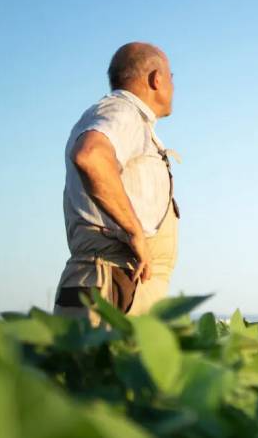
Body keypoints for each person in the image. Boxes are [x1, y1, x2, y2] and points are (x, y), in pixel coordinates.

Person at [53, 42, 180, 324]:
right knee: (104, 367)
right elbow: (91, 155)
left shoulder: (125, 118)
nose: (173, 85)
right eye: (172, 76)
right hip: (114, 284)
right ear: (156, 78)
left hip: (117, 283)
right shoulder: (123, 112)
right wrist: (134, 231)